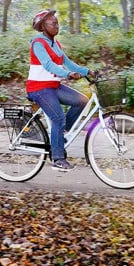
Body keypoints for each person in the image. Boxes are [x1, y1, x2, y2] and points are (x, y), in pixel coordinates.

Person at [26, 9, 94, 171]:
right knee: (58, 118)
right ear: (43, 26)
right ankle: (57, 158)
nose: (57, 26)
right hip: (39, 88)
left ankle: (59, 135)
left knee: (82, 101)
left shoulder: (55, 43)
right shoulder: (38, 43)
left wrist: (87, 71)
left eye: (57, 23)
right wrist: (67, 74)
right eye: (53, 23)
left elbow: (68, 62)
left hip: (52, 86)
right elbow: (48, 65)